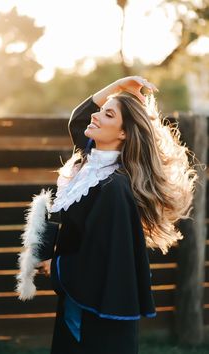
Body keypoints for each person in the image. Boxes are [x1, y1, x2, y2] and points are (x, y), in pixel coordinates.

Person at [15, 76, 198, 354]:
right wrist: (120, 86)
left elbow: (106, 255)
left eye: (108, 114)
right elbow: (78, 120)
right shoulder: (90, 162)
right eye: (101, 110)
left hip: (98, 312)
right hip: (79, 298)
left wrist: (57, 267)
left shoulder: (114, 187)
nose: (96, 115)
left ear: (123, 133)